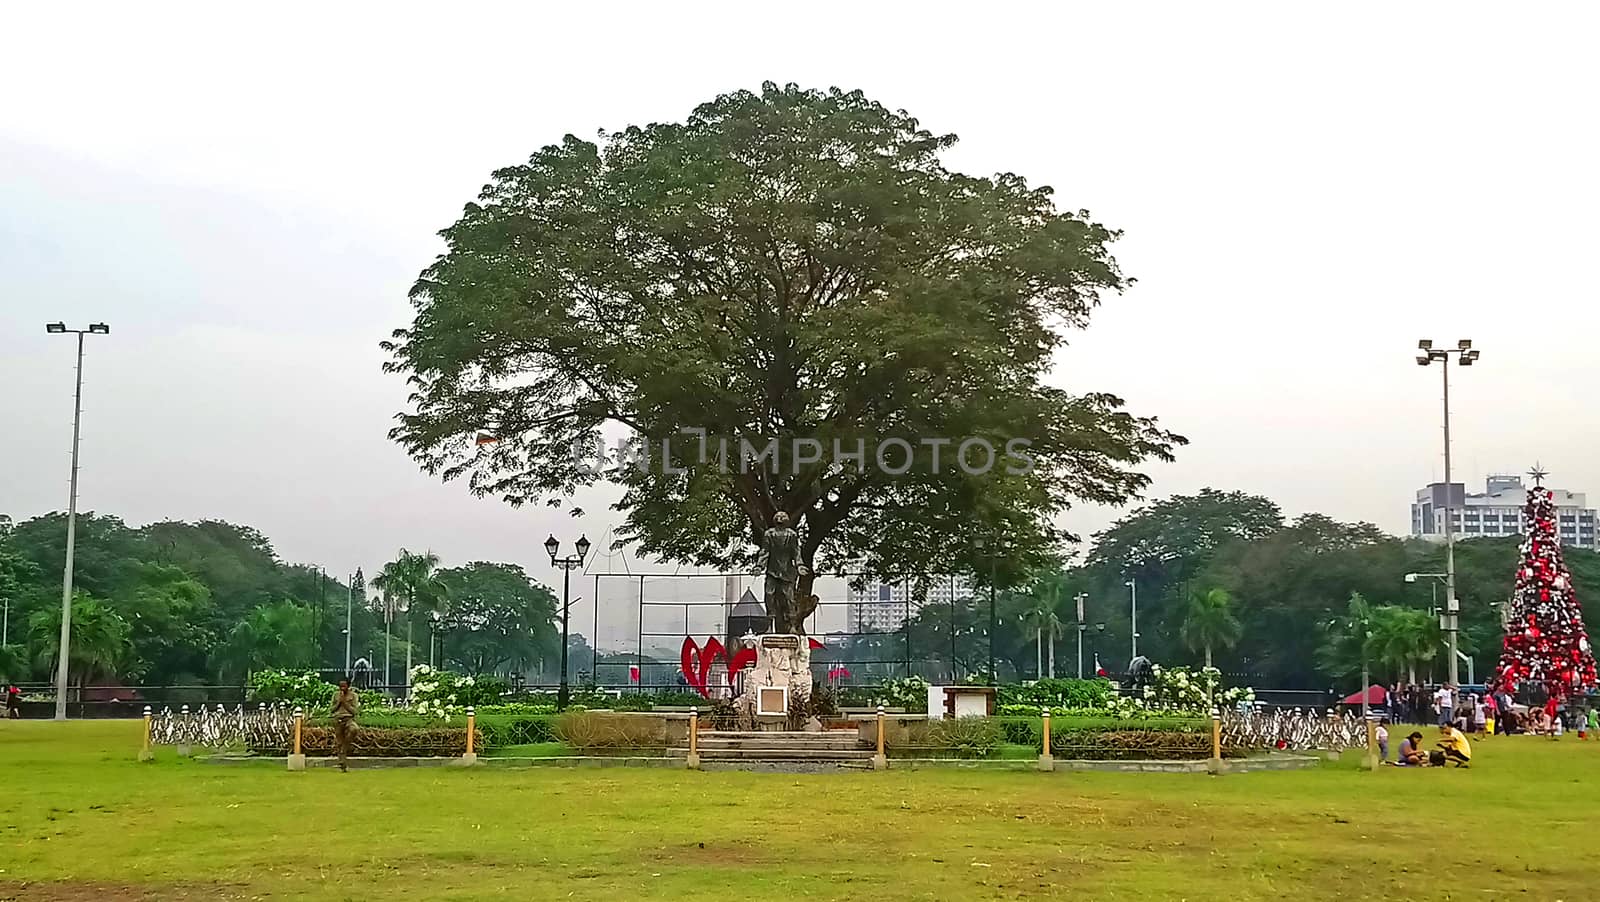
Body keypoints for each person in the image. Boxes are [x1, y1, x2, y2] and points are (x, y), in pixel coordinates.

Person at [330, 678, 360, 772]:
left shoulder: (354, 696)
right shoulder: (336, 695)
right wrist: (339, 702)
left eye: (344, 686)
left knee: (354, 729)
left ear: (348, 686)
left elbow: (355, 711)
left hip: (348, 719)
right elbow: (331, 710)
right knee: (339, 742)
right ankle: (342, 764)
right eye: (340, 686)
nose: (342, 688)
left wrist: (345, 703)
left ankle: (345, 747)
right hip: (338, 719)